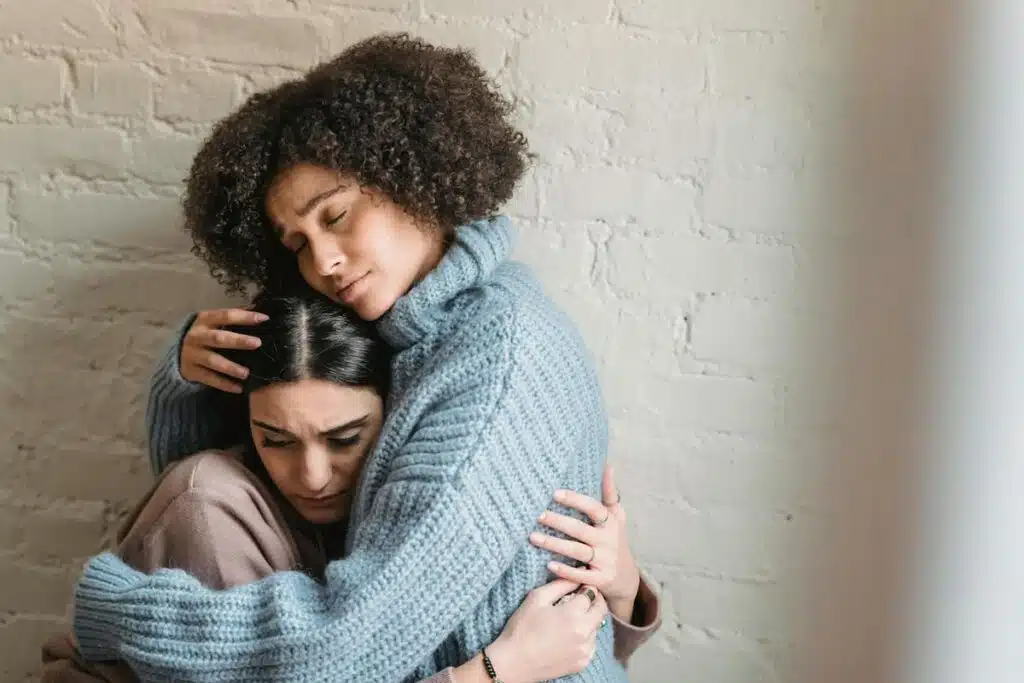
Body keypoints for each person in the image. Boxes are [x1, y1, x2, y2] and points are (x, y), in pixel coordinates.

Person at [72, 34, 660, 682]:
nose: (322, 260)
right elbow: (222, 486)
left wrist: (119, 609)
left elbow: (343, 645)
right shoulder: (413, 325)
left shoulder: (497, 367)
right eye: (298, 240)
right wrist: (183, 376)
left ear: (414, 177)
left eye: (338, 214)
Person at [43, 291, 656, 683]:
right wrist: (496, 673)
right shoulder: (209, 508)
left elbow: (600, 655)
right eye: (276, 439)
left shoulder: (414, 504)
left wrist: (621, 586)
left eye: (345, 438)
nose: (312, 476)